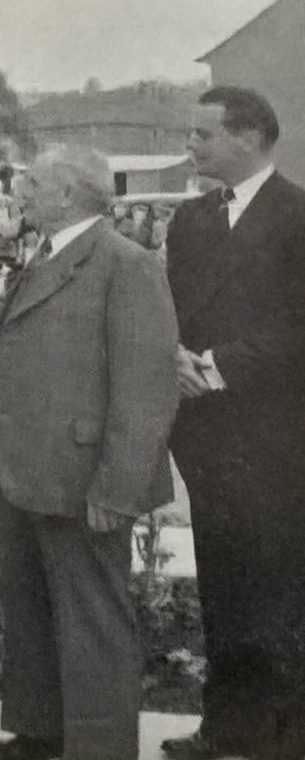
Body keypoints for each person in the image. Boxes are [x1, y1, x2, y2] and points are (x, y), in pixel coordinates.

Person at [0, 143, 179, 760]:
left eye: (31, 182)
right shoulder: (42, 255)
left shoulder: (126, 264)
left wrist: (118, 489)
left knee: (93, 626)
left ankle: (100, 750)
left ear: (67, 194)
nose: (19, 191)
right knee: (33, 615)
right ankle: (41, 736)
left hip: (82, 478)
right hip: (24, 473)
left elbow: (145, 388)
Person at [161, 86, 305, 760]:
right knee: (222, 582)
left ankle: (282, 736)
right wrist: (174, 359)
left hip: (276, 434)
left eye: (202, 135)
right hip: (205, 433)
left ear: (248, 137)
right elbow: (171, 311)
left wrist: (216, 365)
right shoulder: (188, 221)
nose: (190, 146)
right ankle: (225, 729)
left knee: (278, 587)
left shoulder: (299, 215)